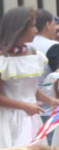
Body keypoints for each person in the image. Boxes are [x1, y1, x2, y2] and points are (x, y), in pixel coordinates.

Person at [0, 7, 59, 149]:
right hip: (8, 120)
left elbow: (31, 88)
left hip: (31, 117)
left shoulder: (33, 53)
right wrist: (24, 106)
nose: (36, 30)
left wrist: (51, 101)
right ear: (20, 28)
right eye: (32, 26)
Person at [32, 9, 59, 142]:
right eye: (55, 25)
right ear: (48, 25)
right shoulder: (52, 46)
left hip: (28, 111)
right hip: (49, 112)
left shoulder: (22, 45)